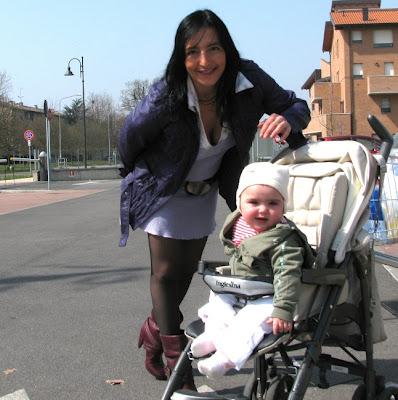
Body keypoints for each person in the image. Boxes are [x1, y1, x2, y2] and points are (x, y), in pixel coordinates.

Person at [118, 9, 310, 389]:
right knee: (164, 273)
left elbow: (296, 104)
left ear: (227, 49)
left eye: (213, 48)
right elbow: (129, 139)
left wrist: (289, 121)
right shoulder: (165, 96)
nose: (204, 61)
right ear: (181, 56)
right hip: (164, 189)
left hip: (204, 189)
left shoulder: (248, 80)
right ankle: (178, 365)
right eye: (193, 51)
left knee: (186, 272)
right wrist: (139, 181)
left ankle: (155, 327)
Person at [190, 162, 316, 379]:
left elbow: (288, 275)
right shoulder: (240, 227)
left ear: (283, 207)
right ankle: (215, 335)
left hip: (270, 296)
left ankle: (226, 358)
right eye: (254, 202)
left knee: (252, 320)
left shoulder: (284, 240)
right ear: (240, 203)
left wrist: (283, 309)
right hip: (241, 288)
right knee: (217, 302)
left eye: (273, 203)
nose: (263, 209)